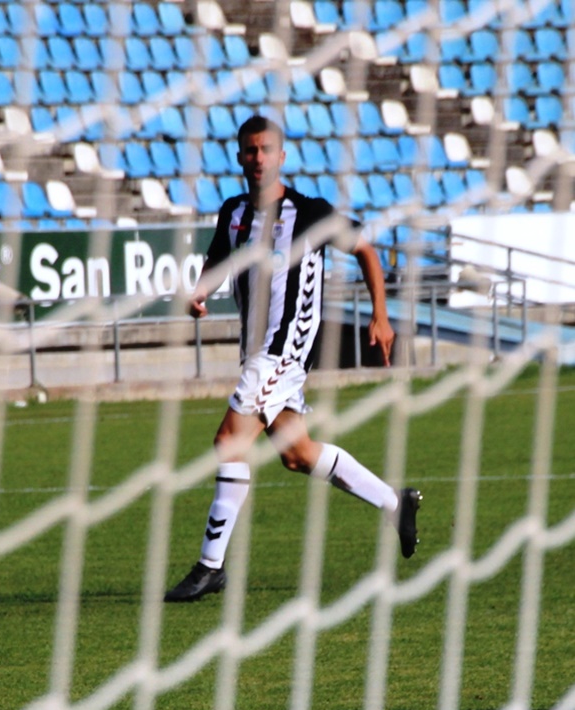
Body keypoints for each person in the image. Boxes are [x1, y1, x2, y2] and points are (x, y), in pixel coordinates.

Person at [164, 115, 421, 603]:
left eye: (265, 150)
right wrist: (198, 293)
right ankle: (396, 502)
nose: (257, 158)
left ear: (281, 156)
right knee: (296, 453)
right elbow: (218, 261)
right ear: (239, 156)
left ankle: (210, 565)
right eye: (249, 150)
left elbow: (365, 250)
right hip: (256, 350)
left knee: (228, 438)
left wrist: (380, 317)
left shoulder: (308, 212)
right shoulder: (233, 212)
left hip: (285, 350)